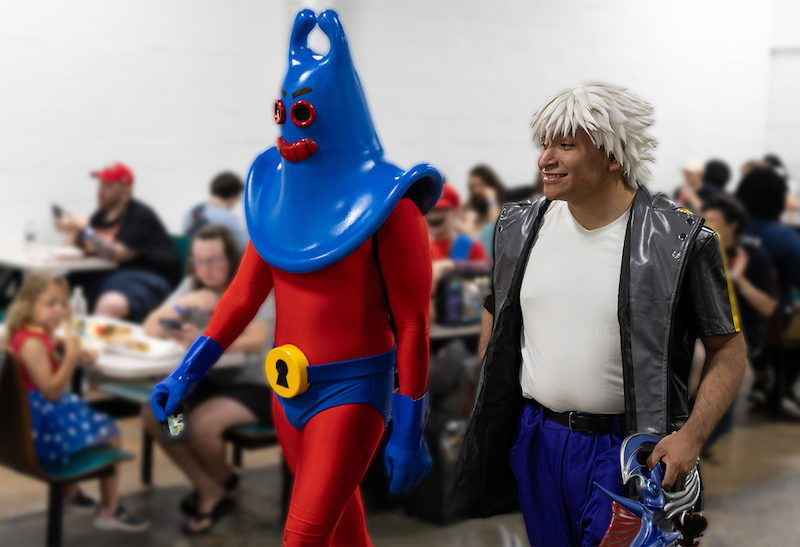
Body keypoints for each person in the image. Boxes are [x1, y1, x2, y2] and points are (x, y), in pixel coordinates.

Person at [151, 10, 441, 546]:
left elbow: (411, 325)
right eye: (283, 111)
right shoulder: (275, 200)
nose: (289, 127)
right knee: (343, 530)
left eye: (301, 112)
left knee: (302, 537)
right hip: (286, 390)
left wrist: (409, 428)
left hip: (353, 393)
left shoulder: (393, 213)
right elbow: (241, 296)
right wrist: (187, 372)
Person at [456, 82, 746, 547]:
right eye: (544, 144)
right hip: (536, 438)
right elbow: (497, 307)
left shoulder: (680, 241)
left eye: (566, 146)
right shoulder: (518, 228)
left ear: (614, 155)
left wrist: (691, 436)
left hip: (627, 449)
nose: (545, 159)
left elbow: (727, 350)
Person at [141, 224, 274, 534]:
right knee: (159, 412)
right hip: (208, 382)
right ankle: (211, 485)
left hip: (254, 384)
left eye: (214, 260)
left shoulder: (250, 282)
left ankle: (220, 482)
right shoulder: (194, 286)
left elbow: (255, 341)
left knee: (200, 427)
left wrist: (203, 341)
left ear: (230, 257)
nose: (207, 269)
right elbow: (150, 327)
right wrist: (184, 304)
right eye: (200, 261)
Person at [6, 272, 150, 532]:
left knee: (89, 416)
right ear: (28, 305)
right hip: (40, 426)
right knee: (115, 429)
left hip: (26, 421)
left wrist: (61, 344)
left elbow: (46, 347)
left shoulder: (25, 334)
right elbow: (51, 391)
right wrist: (71, 355)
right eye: (51, 304)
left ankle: (70, 494)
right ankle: (109, 508)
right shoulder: (33, 343)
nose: (59, 310)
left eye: (63, 304)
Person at [54, 163, 181, 321]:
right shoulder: (101, 215)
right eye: (100, 184)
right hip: (112, 274)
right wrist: (71, 230)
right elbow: (72, 250)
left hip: (148, 277)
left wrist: (83, 230)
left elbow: (116, 253)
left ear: (125, 189)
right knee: (55, 289)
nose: (100, 190)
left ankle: (94, 345)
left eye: (107, 185)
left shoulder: (139, 215)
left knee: (110, 304)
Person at [700, 193, 777, 447]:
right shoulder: (700, 249)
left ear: (733, 225)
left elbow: (768, 308)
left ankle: (706, 432)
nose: (706, 223)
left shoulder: (753, 257)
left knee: (705, 355)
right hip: (704, 329)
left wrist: (739, 279)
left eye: (713, 219)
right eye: (705, 217)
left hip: (743, 334)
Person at [736, 167, 800, 417]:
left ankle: (763, 379)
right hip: (772, 325)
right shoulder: (784, 237)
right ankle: (780, 391)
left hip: (729, 319)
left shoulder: (728, 230)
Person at [426, 183, 489, 289]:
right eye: (431, 209)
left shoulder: (471, 247)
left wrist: (452, 268)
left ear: (456, 212)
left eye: (442, 210)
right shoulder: (419, 245)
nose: (434, 216)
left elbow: (484, 286)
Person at [183, 172, 249, 252]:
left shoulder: (190, 212)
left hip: (194, 262)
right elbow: (244, 248)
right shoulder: (229, 218)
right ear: (233, 195)